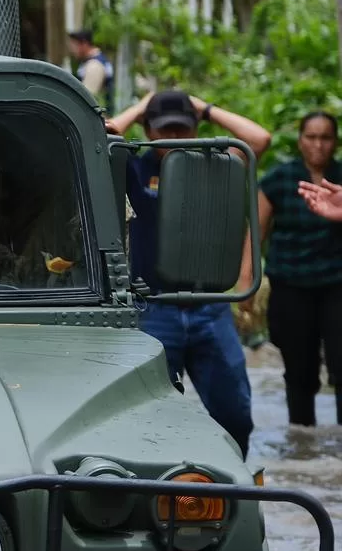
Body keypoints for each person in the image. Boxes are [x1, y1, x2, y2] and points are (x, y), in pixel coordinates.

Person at [108, 89, 270, 456]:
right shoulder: (133, 166)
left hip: (209, 307)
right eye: (166, 130)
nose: (176, 138)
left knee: (236, 415)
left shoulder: (216, 165)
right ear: (149, 131)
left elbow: (259, 140)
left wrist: (205, 107)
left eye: (183, 129)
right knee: (149, 415)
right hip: (153, 307)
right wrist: (142, 105)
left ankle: (230, 491)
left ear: (196, 128)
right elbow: (106, 133)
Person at [249, 110, 342, 426]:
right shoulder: (279, 178)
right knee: (299, 370)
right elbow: (255, 235)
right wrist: (246, 287)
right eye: (311, 137)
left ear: (336, 142)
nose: (318, 145)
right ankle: (302, 443)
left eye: (326, 137)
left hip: (337, 284)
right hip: (291, 285)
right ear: (300, 141)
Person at [67, 28, 114, 107]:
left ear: (84, 44)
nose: (72, 50)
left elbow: (87, 100)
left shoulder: (94, 65)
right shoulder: (90, 62)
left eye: (74, 45)